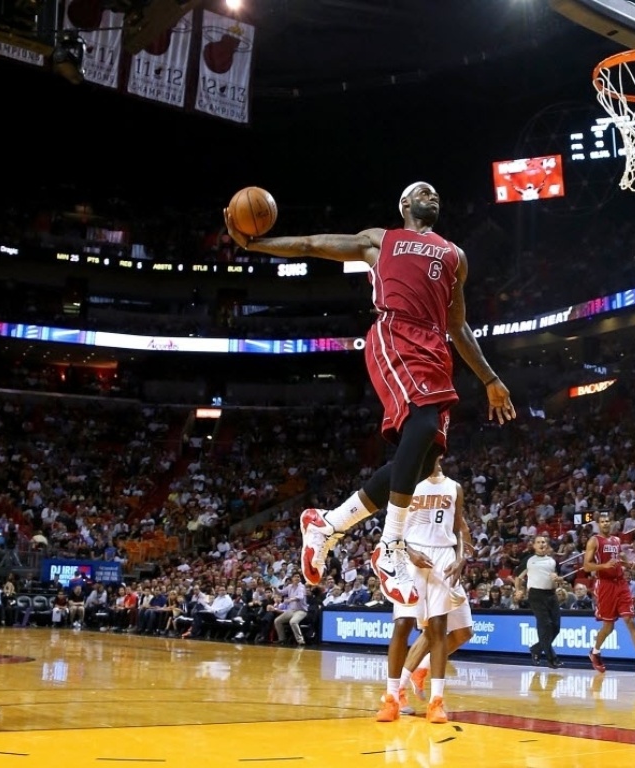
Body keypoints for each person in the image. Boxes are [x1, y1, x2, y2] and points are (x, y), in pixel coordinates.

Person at [225, 182, 515, 606]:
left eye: (436, 193)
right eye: (422, 192)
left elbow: (458, 325)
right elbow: (310, 244)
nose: (432, 195)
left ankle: (328, 524)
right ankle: (390, 547)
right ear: (404, 204)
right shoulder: (382, 240)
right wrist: (256, 244)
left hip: (435, 348)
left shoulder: (455, 256)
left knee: (423, 460)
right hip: (396, 332)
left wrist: (490, 378)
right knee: (423, 422)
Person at [378, 459, 469, 724]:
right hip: (409, 556)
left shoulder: (454, 488)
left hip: (442, 557)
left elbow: (458, 530)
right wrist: (410, 551)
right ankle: (391, 697)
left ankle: (436, 702)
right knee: (402, 624)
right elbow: (393, 531)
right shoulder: (408, 484)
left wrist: (460, 557)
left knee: (438, 628)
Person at [584, 510, 635, 677]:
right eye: (603, 521)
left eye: (608, 521)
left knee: (630, 620)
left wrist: (628, 565)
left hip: (621, 584)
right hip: (605, 585)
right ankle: (595, 651)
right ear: (598, 524)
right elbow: (586, 566)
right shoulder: (594, 541)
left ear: (612, 522)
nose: (606, 523)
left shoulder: (616, 540)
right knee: (609, 626)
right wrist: (603, 566)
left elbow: (619, 558)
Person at [519, 534, 563, 668]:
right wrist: (518, 590)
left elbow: (558, 582)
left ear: (547, 545)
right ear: (534, 546)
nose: (541, 544)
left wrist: (558, 580)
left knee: (556, 627)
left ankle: (536, 649)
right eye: (538, 542)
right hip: (536, 595)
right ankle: (552, 659)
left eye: (544, 542)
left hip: (551, 594)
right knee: (546, 626)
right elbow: (518, 577)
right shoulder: (528, 560)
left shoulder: (553, 561)